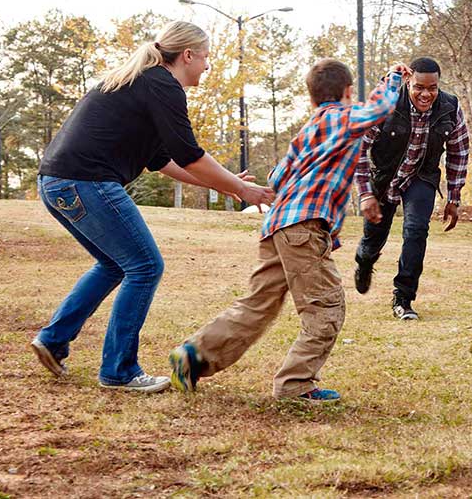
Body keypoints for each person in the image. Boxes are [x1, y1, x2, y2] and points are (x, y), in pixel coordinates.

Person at [30, 21, 275, 393]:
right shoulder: (162, 84)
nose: (208, 66)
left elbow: (163, 160)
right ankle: (119, 370)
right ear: (188, 55)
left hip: (58, 182)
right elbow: (190, 155)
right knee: (145, 266)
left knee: (115, 265)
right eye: (206, 57)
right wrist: (241, 188)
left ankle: (53, 340)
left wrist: (226, 184)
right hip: (86, 181)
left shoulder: (143, 82)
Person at [168, 59, 408, 402]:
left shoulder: (308, 130)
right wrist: (394, 78)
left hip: (278, 226)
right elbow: (380, 108)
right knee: (325, 307)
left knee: (258, 303)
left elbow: (278, 177)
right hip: (304, 228)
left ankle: (194, 355)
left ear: (311, 98)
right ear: (347, 92)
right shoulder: (342, 117)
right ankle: (296, 385)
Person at [353, 57, 470, 321]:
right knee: (373, 238)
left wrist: (453, 197)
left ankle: (403, 298)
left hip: (421, 177)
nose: (426, 94)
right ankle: (365, 260)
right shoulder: (388, 104)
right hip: (384, 178)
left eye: (432, 88)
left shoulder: (450, 108)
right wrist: (366, 193)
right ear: (408, 82)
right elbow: (358, 146)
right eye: (419, 87)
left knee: (417, 230)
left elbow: (459, 152)